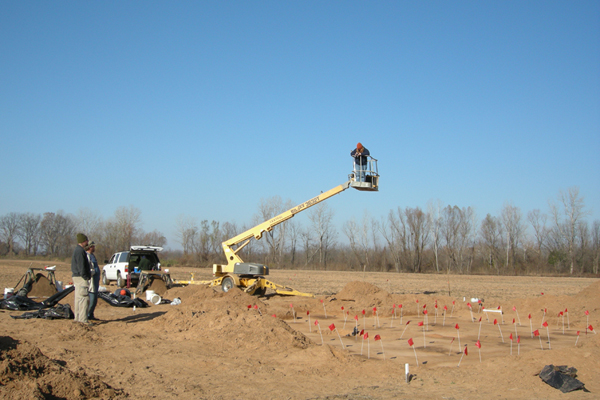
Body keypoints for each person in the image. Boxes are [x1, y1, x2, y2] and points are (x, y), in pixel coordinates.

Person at [71, 233, 92, 325]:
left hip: (77, 277)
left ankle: (77, 318)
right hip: (81, 277)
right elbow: (81, 266)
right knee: (84, 299)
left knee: (78, 298)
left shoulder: (77, 250)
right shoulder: (80, 251)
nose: (88, 242)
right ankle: (83, 320)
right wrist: (86, 276)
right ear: (83, 241)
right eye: (86, 240)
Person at [86, 241, 100, 321]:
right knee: (91, 298)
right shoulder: (87, 256)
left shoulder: (93, 256)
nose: (94, 248)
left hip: (95, 280)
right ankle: (87, 314)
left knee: (94, 299)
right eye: (93, 246)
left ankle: (91, 314)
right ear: (90, 247)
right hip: (91, 280)